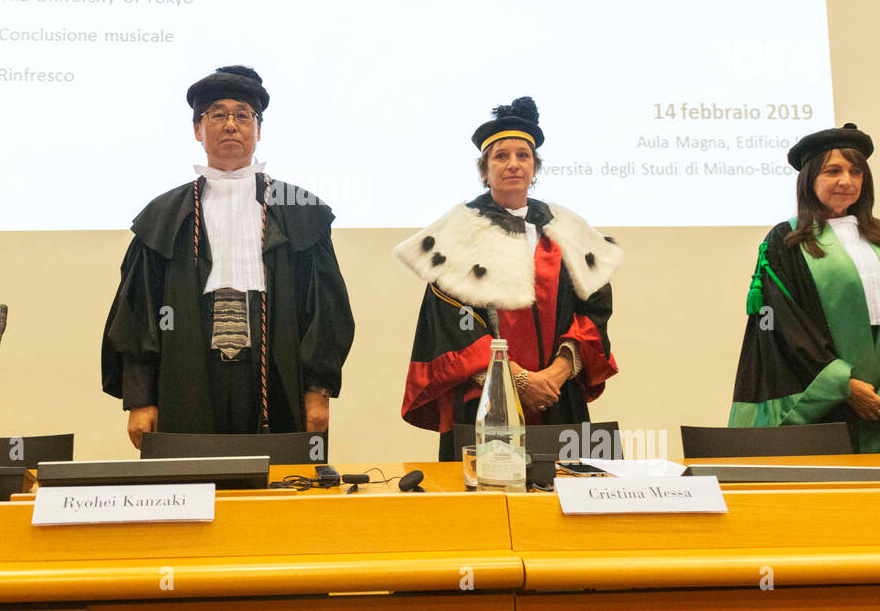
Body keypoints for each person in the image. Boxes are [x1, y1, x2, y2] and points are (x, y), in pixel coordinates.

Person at [102, 65, 355, 448]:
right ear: (197, 130)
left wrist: (318, 389)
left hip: (278, 374)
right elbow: (138, 314)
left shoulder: (300, 210)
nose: (231, 125)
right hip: (187, 372)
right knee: (192, 490)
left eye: (243, 115)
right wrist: (140, 398)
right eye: (217, 114)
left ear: (258, 129)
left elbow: (326, 311)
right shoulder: (164, 214)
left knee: (280, 491)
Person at [395, 97, 621, 461]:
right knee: (482, 505)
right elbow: (453, 327)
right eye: (501, 156)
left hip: (558, 398)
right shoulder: (457, 234)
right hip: (485, 401)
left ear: (535, 168)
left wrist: (555, 376)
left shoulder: (568, 230)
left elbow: (594, 313)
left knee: (564, 500)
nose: (513, 164)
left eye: (523, 155)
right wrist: (519, 380)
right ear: (484, 170)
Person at [730, 123, 880, 451]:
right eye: (833, 171)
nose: (846, 181)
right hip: (827, 411)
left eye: (856, 171)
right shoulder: (786, 241)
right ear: (810, 179)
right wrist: (844, 385)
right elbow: (786, 327)